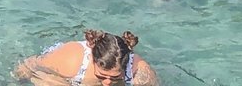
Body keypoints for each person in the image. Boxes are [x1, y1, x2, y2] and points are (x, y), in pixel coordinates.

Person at [14, 29, 158, 85]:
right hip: (64, 76)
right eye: (102, 76)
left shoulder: (139, 71)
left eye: (115, 78)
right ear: (93, 59)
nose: (107, 83)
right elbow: (29, 65)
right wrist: (15, 80)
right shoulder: (69, 60)